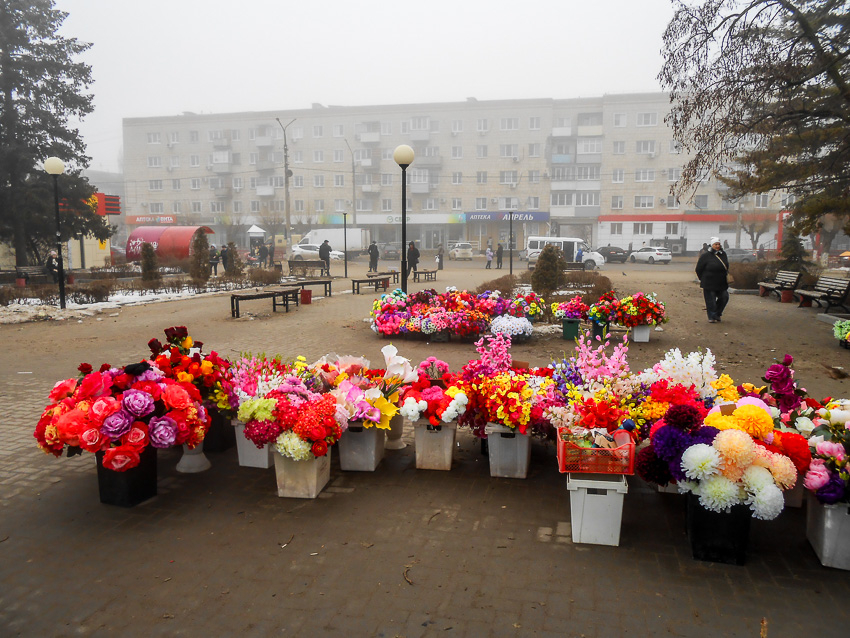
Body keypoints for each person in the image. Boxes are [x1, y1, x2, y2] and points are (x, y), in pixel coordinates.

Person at [695, 237, 729, 324]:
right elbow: (698, 269)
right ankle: (712, 316)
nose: (717, 246)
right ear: (712, 245)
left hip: (721, 282)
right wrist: (702, 279)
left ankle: (717, 313)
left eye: (718, 244)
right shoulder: (705, 256)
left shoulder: (723, 254)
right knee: (711, 301)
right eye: (715, 244)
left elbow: (726, 265)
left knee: (724, 297)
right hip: (709, 282)